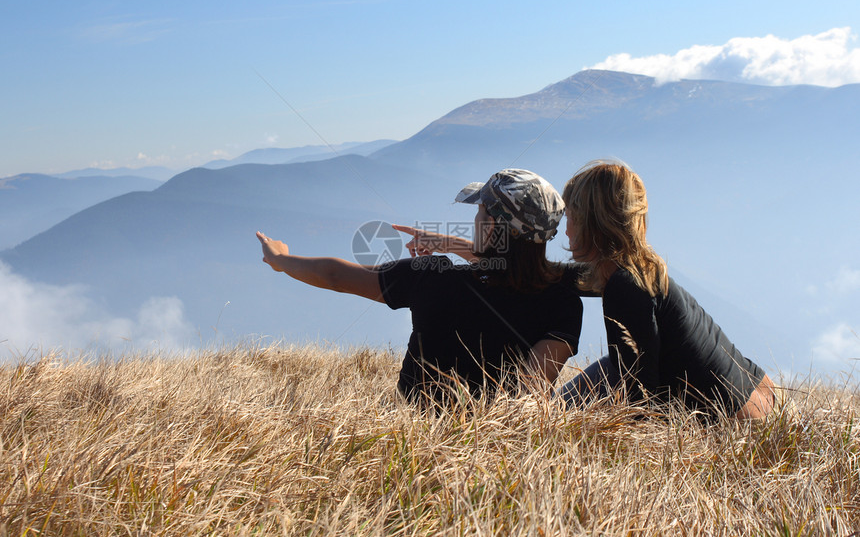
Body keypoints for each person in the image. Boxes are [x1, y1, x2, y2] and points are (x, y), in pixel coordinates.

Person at [257, 168, 583, 407]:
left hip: (413, 435)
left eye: (480, 211)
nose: (475, 218)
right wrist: (451, 244)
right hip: (498, 443)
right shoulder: (564, 300)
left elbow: (335, 276)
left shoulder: (431, 278)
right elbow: (529, 393)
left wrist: (280, 259)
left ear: (492, 224)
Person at [556, 159, 775, 419]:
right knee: (605, 373)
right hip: (762, 392)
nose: (566, 230)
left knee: (561, 413)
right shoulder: (638, 269)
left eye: (571, 217)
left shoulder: (625, 288)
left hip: (742, 418)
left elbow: (639, 397)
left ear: (593, 224)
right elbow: (572, 277)